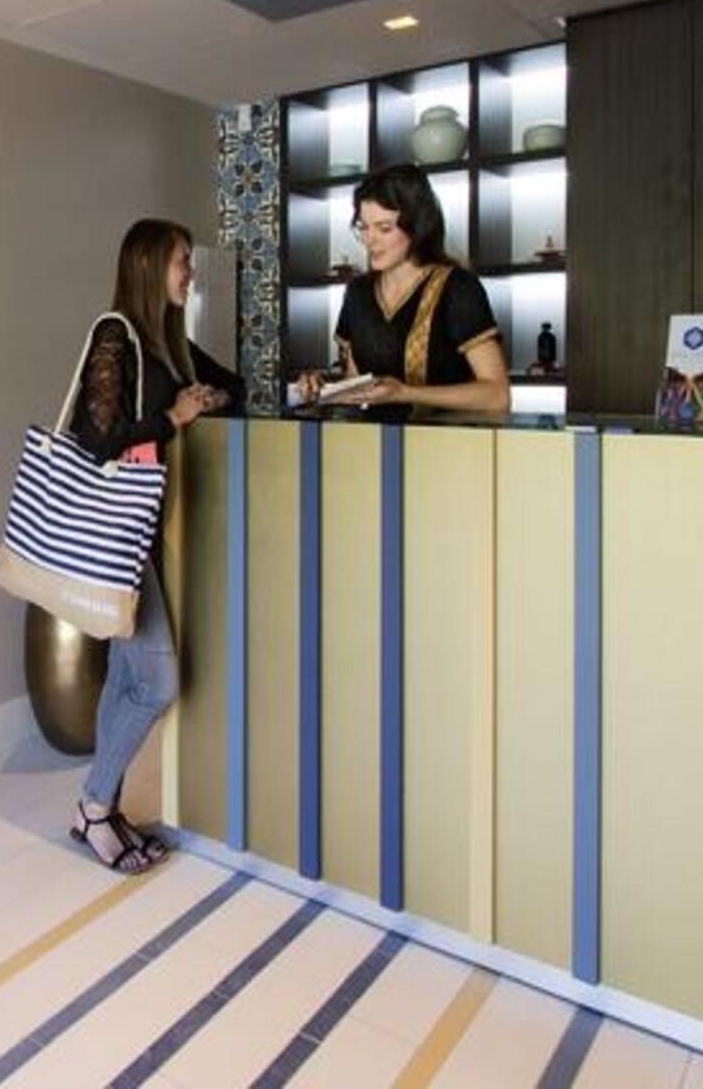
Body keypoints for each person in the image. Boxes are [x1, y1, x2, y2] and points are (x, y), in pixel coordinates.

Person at [64, 218, 242, 874]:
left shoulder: (169, 344)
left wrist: (204, 396)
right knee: (158, 679)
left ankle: (101, 808)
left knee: (124, 676)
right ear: (148, 266)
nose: (189, 273)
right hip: (116, 533)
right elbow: (94, 437)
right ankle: (92, 805)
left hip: (141, 532)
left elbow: (235, 385)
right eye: (180, 261)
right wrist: (172, 416)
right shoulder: (116, 334)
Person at [295, 164, 511, 415]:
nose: (370, 240)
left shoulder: (457, 288)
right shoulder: (358, 292)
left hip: (446, 437)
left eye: (384, 228)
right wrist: (322, 390)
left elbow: (498, 396)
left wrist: (405, 393)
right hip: (373, 438)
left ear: (418, 227)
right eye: (363, 227)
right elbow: (357, 385)